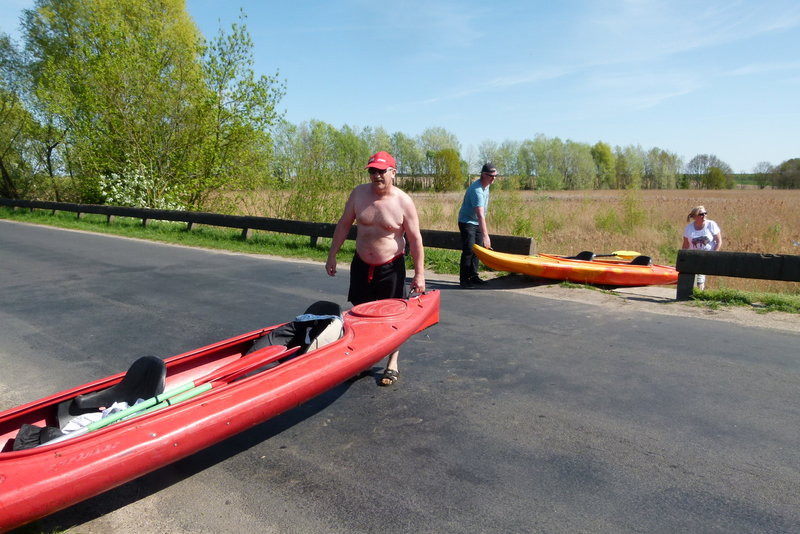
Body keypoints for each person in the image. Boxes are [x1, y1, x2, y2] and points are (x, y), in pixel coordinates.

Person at [325, 151, 425, 386]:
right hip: (361, 263)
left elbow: (415, 239)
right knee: (360, 313)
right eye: (372, 170)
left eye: (381, 171)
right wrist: (332, 254)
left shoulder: (403, 201)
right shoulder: (359, 194)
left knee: (391, 317)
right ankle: (365, 359)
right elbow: (343, 225)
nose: (376, 175)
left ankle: (392, 363)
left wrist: (419, 274)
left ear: (393, 172)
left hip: (390, 267)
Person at [457, 162, 497, 288]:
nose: (494, 178)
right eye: (491, 176)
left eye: (495, 176)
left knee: (478, 250)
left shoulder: (487, 186)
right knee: (469, 249)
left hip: (476, 221)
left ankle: (473, 276)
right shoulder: (477, 190)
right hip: (467, 221)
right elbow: (480, 215)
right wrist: (486, 236)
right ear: (484, 175)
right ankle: (464, 279)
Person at [682, 205, 722, 290]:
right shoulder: (688, 228)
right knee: (689, 274)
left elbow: (719, 241)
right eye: (701, 214)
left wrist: (714, 255)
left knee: (700, 276)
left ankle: (699, 292)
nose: (704, 216)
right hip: (693, 256)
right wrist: (683, 258)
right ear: (695, 216)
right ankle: (692, 293)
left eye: (705, 213)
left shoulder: (711, 224)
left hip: (707, 256)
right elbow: (685, 245)